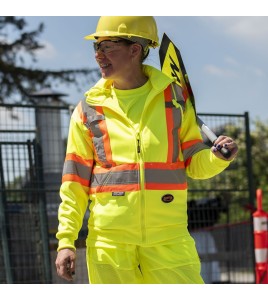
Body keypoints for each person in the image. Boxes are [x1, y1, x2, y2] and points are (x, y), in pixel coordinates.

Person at [55, 16, 238, 284]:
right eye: (96, 47)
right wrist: (66, 240)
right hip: (110, 244)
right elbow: (74, 183)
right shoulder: (88, 109)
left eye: (107, 46)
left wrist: (217, 158)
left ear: (135, 49)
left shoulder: (174, 100)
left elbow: (194, 165)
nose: (98, 55)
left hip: (169, 240)